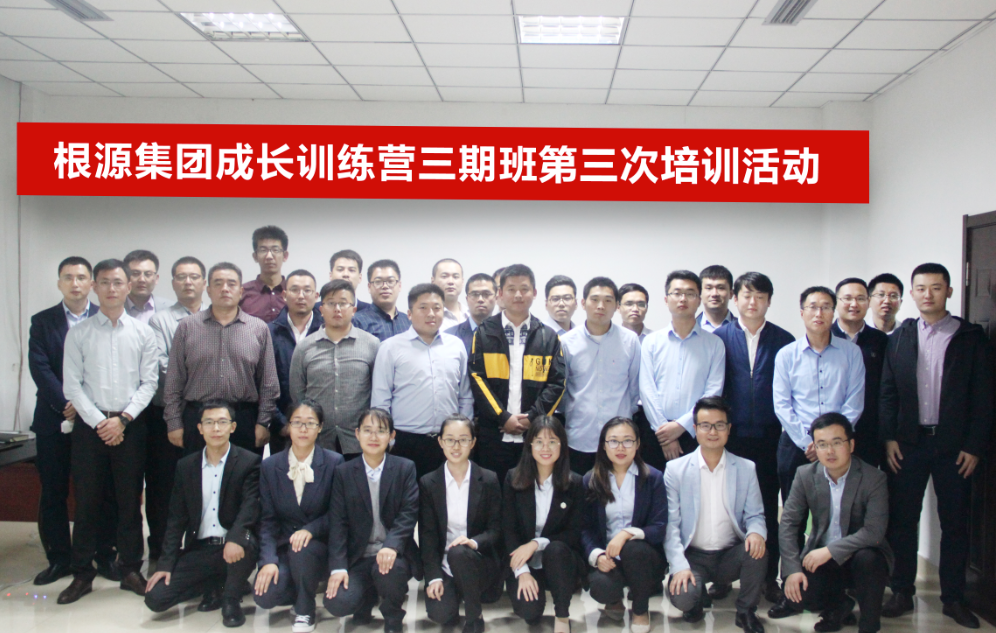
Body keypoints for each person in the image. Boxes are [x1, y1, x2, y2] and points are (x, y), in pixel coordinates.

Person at [880, 263, 993, 628]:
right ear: (911, 293)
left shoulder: (969, 336)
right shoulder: (900, 336)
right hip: (908, 445)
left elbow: (984, 396)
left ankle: (954, 598)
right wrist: (889, 438)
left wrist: (974, 445)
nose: (928, 294)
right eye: (921, 288)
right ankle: (901, 591)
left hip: (954, 447)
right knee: (903, 521)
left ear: (949, 291)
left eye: (936, 287)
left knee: (955, 524)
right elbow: (888, 392)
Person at [58, 259, 158, 604]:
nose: (111, 288)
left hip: (131, 427)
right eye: (104, 282)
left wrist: (123, 420)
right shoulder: (79, 333)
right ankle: (82, 573)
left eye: (118, 282)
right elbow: (72, 385)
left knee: (130, 501)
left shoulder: (144, 333)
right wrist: (100, 422)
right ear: (94, 287)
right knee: (87, 502)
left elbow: (149, 383)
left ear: (128, 287)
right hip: (91, 430)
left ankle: (130, 569)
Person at [29, 256, 117, 586]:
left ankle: (103, 555)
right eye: (68, 277)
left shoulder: (104, 317)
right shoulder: (43, 321)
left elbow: (109, 368)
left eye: (81, 277)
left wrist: (84, 406)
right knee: (53, 492)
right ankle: (59, 559)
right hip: (54, 419)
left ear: (91, 284)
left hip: (95, 421)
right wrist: (66, 402)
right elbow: (39, 367)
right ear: (59, 283)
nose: (75, 283)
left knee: (99, 491)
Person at [768, 413, 892, 633]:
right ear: (814, 448)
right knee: (798, 596)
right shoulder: (805, 475)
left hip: (860, 555)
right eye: (822, 444)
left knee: (869, 560)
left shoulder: (874, 478)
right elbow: (788, 524)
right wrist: (792, 570)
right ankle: (839, 604)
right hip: (822, 558)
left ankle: (869, 624)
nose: (830, 451)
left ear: (851, 445)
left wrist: (830, 551)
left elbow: (873, 532)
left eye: (837, 442)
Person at [714, 272, 795, 604]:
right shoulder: (719, 338)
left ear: (769, 301)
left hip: (769, 438)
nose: (752, 302)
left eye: (760, 296)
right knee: (726, 509)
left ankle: (767, 577)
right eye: (746, 295)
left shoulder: (784, 340)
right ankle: (722, 576)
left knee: (767, 508)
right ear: (735, 299)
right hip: (730, 439)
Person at [144, 401, 262, 628]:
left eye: (222, 422)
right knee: (155, 598)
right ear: (199, 428)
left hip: (235, 543)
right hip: (201, 547)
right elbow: (176, 519)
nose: (216, 428)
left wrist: (235, 537)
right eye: (209, 422)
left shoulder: (249, 462)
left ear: (233, 427)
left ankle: (230, 599)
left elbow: (250, 508)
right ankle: (216, 584)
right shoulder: (186, 466)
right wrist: (165, 564)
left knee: (244, 543)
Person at [663, 397, 767, 633]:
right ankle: (696, 599)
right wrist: (679, 566)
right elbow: (671, 526)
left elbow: (755, 515)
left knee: (757, 550)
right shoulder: (676, 470)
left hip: (729, 554)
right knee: (684, 597)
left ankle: (746, 611)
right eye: (705, 425)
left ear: (729, 429)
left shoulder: (746, 468)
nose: (712, 432)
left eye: (719, 425)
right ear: (695, 429)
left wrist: (756, 533)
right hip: (693, 556)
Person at [164, 262, 278, 456]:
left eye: (231, 283)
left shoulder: (258, 329)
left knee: (244, 474)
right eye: (218, 283)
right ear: (208, 290)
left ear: (241, 291)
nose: (225, 288)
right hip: (198, 419)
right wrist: (174, 423)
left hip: (243, 419)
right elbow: (174, 380)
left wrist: (263, 423)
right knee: (197, 474)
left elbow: (269, 383)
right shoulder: (187, 327)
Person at [469, 264, 567, 487]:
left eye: (524, 289)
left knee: (528, 494)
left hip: (533, 436)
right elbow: (476, 378)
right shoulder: (484, 332)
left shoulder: (548, 336)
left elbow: (557, 384)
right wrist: (503, 417)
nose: (518, 295)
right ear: (500, 294)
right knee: (492, 493)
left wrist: (532, 418)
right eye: (511, 289)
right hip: (493, 434)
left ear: (534, 292)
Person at [324, 409, 421, 633]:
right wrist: (338, 567)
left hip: (393, 554)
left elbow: (408, 514)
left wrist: (391, 546)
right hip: (358, 555)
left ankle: (393, 616)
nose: (374, 437)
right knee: (337, 602)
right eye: (367, 430)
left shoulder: (405, 468)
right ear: (357, 434)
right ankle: (365, 598)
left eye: (381, 431)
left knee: (390, 572)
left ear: (392, 436)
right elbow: (338, 523)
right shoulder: (343, 472)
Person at [254, 400, 344, 633]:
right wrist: (268, 561)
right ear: (288, 426)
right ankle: (298, 587)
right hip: (285, 546)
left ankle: (305, 609)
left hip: (318, 547)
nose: (303, 429)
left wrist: (310, 530)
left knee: (302, 550)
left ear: (320, 427)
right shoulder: (270, 466)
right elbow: (267, 520)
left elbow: (337, 515)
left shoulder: (334, 462)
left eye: (310, 423)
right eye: (297, 422)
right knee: (265, 596)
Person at [773, 287, 865, 513]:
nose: (819, 313)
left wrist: (831, 441)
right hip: (797, 444)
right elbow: (782, 405)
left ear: (834, 312)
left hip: (839, 445)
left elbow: (854, 401)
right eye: (812, 307)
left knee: (840, 510)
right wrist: (809, 442)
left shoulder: (852, 352)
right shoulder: (786, 354)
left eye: (825, 307)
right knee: (794, 512)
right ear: (802, 312)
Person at [371, 283, 473, 480]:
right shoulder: (390, 348)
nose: (431, 314)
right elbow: (381, 399)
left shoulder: (456, 346)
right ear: (409, 314)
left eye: (437, 308)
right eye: (423, 308)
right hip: (404, 441)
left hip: (448, 442)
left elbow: (465, 395)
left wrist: (464, 435)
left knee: (444, 496)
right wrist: (386, 439)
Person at [146, 256, 206, 563]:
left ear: (204, 283)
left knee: (202, 484)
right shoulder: (160, 320)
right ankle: (161, 552)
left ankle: (199, 552)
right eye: (181, 277)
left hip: (205, 416)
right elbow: (163, 366)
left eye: (194, 276)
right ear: (172, 283)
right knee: (165, 486)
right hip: (169, 414)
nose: (188, 282)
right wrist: (203, 376)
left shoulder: (215, 317)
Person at [582, 417, 667, 633]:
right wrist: (597, 555)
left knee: (634, 548)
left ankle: (640, 609)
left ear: (637, 444)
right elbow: (585, 528)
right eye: (613, 441)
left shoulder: (653, 478)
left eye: (627, 441)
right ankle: (614, 600)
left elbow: (659, 526)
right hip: (609, 557)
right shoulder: (591, 480)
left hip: (644, 558)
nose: (621, 448)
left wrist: (627, 534)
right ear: (604, 445)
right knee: (600, 587)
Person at [420, 415, 503, 633]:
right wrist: (434, 576)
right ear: (440, 442)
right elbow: (428, 536)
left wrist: (474, 542)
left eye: (463, 439)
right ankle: (456, 592)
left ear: (473, 442)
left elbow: (496, 530)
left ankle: (474, 617)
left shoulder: (489, 479)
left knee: (459, 553)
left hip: (477, 560)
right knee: (440, 614)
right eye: (450, 439)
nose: (456, 446)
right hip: (445, 564)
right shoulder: (428, 483)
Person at [503, 416, 586, 633]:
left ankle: (562, 615)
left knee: (555, 549)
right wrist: (522, 572)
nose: (545, 448)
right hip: (524, 561)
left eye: (552, 442)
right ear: (529, 445)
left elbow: (574, 533)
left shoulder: (575, 483)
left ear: (562, 445)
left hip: (560, 560)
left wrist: (536, 543)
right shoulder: (513, 478)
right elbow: (508, 530)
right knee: (529, 613)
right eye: (539, 442)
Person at [639, 270, 725, 470]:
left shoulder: (714, 344)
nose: (683, 299)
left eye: (690, 293)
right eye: (677, 293)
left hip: (695, 431)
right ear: (666, 299)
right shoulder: (651, 341)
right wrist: (664, 433)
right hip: (655, 432)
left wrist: (680, 426)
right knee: (654, 485)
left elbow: (713, 392)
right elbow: (646, 389)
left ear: (699, 300)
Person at [561, 277, 641, 475]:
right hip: (579, 436)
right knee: (579, 491)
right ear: (583, 303)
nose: (600, 306)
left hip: (620, 441)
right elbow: (562, 389)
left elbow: (635, 388)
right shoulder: (566, 342)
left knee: (618, 491)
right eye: (594, 299)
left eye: (607, 300)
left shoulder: (630, 341)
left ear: (617, 305)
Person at [290, 279, 379, 456]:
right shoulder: (304, 347)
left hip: (358, 441)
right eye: (331, 303)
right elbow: (297, 393)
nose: (337, 309)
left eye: (343, 303)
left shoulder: (371, 344)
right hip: (318, 440)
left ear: (353, 309)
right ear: (321, 309)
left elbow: (377, 392)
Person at [831, 278, 888, 468]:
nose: (854, 304)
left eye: (860, 298)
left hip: (869, 432)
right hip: (830, 431)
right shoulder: (824, 337)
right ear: (836, 302)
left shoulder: (881, 341)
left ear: (869, 301)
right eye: (847, 298)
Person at [269, 270, 323, 454]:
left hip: (322, 430)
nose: (301, 296)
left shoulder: (326, 332)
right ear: (284, 295)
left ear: (316, 296)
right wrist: (282, 423)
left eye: (307, 290)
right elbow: (264, 384)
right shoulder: (269, 333)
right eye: (295, 290)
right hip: (282, 428)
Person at [352, 259, 412, 342]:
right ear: (369, 287)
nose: (385, 286)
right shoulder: (358, 321)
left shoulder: (409, 321)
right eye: (378, 282)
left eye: (390, 281)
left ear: (399, 286)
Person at [241, 225, 289, 324]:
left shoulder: (295, 291)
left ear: (285, 256)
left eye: (275, 250)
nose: (269, 256)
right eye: (263, 250)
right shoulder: (242, 293)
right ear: (255, 256)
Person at [447, 273, 498, 353]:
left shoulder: (505, 334)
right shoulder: (450, 335)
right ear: (467, 299)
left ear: (496, 298)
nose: (480, 299)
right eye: (474, 294)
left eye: (486, 294)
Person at [123, 249, 169, 323]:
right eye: (135, 273)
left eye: (148, 274)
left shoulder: (170, 308)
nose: (142, 279)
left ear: (156, 279)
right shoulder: (113, 307)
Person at [432, 258, 467, 330]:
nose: (451, 282)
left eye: (455, 277)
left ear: (462, 282)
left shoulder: (471, 314)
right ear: (433, 281)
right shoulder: (427, 317)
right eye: (444, 276)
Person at [698, 265, 735, 333]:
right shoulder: (688, 328)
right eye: (709, 288)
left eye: (721, 288)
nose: (714, 294)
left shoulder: (743, 328)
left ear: (731, 293)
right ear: (700, 292)